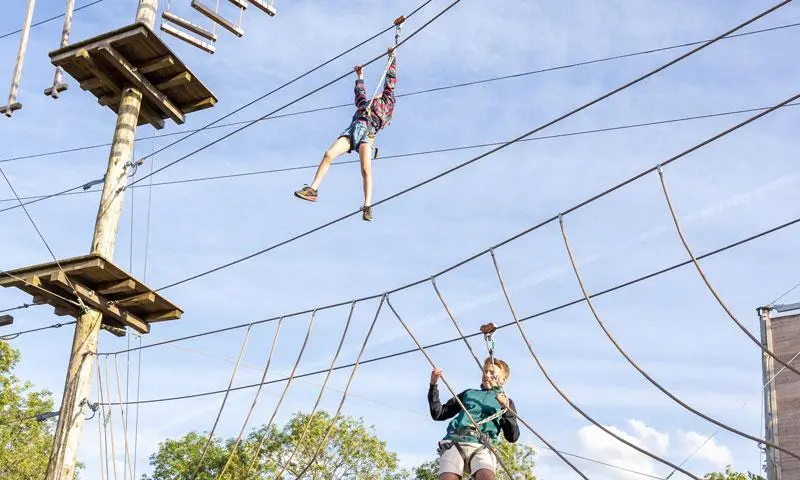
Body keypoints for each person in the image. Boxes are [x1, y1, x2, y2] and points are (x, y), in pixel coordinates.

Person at [294, 47, 397, 222]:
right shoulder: (366, 104)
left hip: (367, 133)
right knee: (328, 154)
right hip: (352, 130)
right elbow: (360, 95)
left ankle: (367, 206)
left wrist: (392, 59)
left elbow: (390, 82)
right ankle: (313, 190)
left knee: (365, 169)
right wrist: (360, 77)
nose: (377, 94)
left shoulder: (385, 103)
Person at [428, 358, 520, 480]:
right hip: (455, 441)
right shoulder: (469, 394)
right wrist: (433, 385)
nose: (487, 375)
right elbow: (438, 413)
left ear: (503, 379)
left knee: (485, 476)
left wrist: (506, 408)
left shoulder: (507, 403)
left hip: (482, 445)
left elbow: (512, 436)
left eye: (492, 373)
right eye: (485, 371)